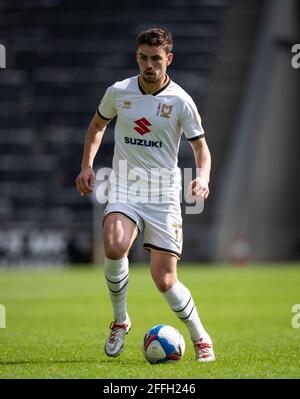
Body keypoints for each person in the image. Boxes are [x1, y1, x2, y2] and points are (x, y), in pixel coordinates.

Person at [76, 27, 215, 362]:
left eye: (156, 58)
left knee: (164, 279)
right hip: (125, 186)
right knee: (114, 243)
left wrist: (203, 178)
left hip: (163, 193)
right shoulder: (119, 92)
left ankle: (200, 337)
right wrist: (87, 166)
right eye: (143, 57)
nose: (149, 64)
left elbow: (202, 149)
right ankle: (121, 320)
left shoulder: (180, 100)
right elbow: (97, 125)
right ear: (136, 57)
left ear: (169, 59)